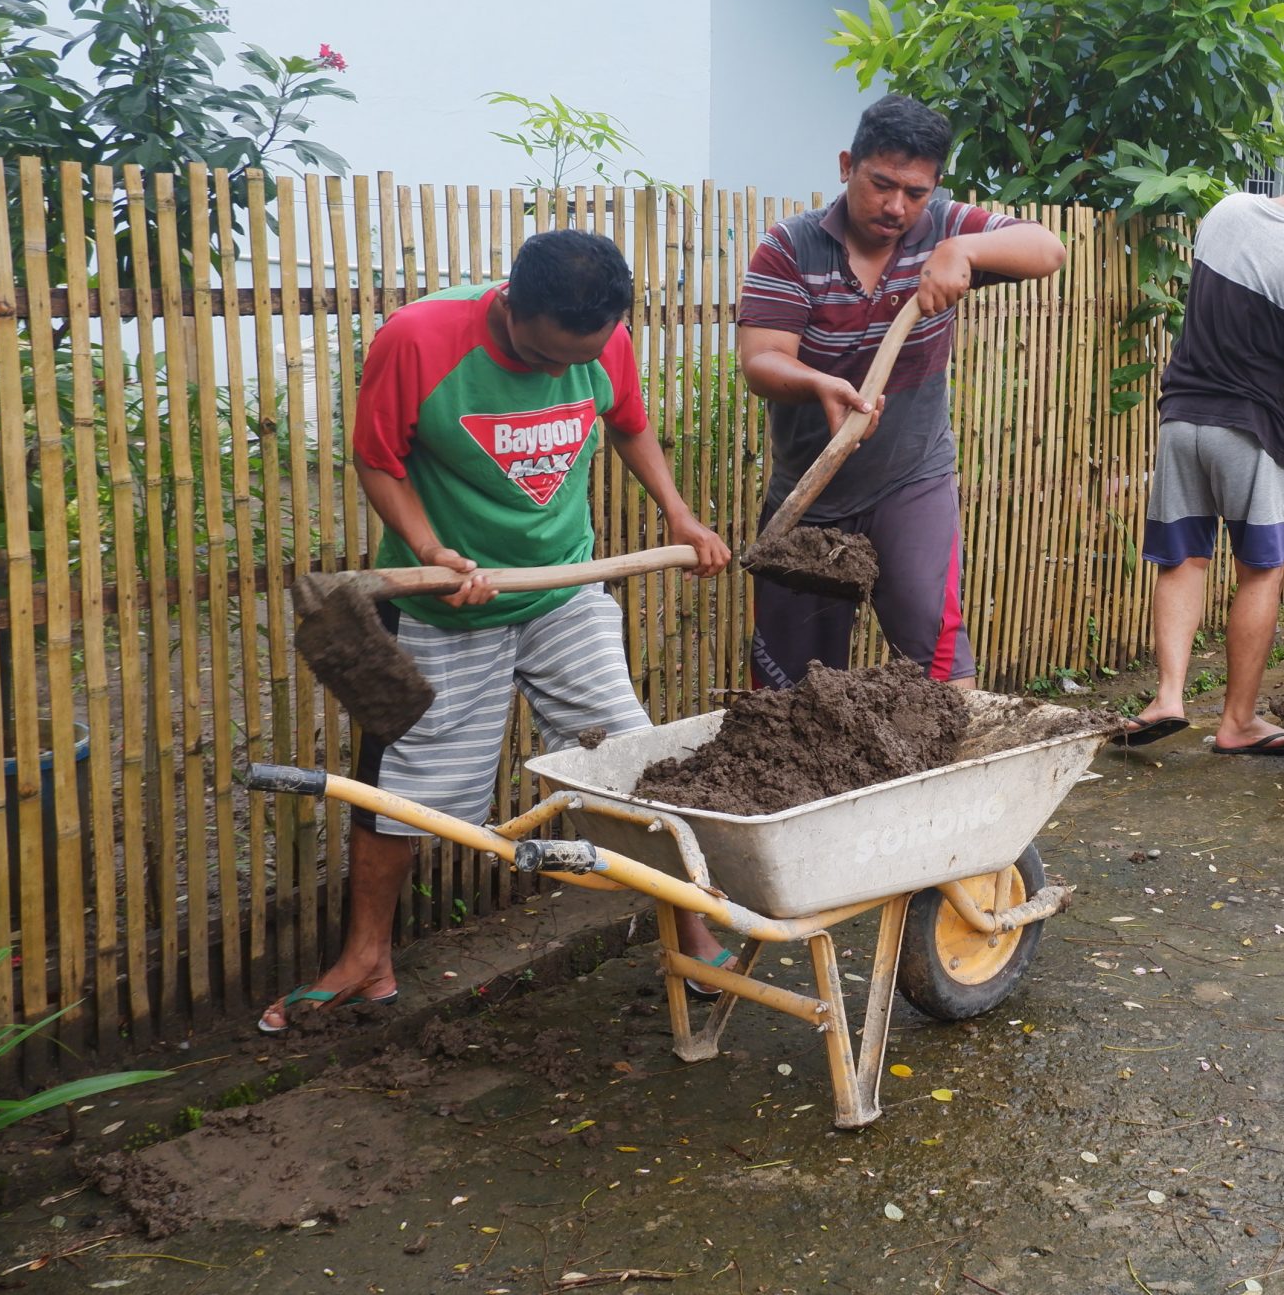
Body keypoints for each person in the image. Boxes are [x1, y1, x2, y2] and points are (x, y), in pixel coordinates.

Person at [261, 230, 735, 1033]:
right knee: (404, 793)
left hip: (563, 591)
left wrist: (679, 514)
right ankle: (365, 956)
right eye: (544, 358)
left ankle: (690, 926)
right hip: (445, 608)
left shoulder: (602, 337)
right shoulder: (418, 339)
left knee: (627, 757)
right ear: (511, 304)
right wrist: (433, 550)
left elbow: (626, 422)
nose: (558, 375)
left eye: (574, 362)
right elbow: (377, 458)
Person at [734, 94, 1067, 689]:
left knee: (935, 643)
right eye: (881, 184)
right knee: (792, 684)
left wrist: (961, 249)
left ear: (935, 187)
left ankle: (956, 775)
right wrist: (819, 384)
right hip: (811, 493)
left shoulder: (944, 229)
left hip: (912, 478)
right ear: (846, 165)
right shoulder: (789, 247)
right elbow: (761, 361)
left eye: (915, 193)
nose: (895, 207)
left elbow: (1048, 250)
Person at [1120, 133, 1284, 754]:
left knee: (1183, 559)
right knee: (1262, 571)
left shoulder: (1226, 211)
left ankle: (1168, 696)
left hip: (1181, 419)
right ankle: (1237, 723)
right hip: (1254, 433)